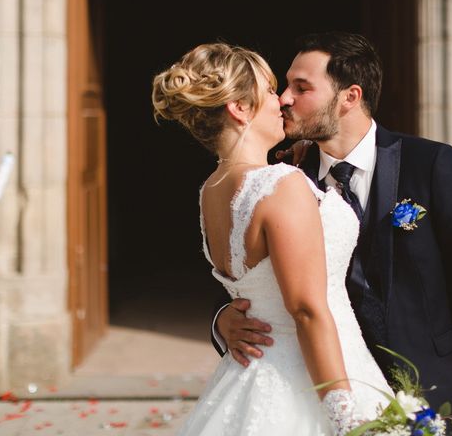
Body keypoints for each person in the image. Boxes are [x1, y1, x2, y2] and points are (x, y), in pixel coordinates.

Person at [213, 31, 452, 435]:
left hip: (434, 399)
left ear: (350, 97)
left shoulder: (430, 164)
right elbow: (245, 273)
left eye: (301, 87)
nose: (285, 98)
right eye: (285, 86)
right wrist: (223, 321)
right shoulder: (280, 180)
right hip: (321, 396)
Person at [152, 42, 391, 435]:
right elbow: (307, 310)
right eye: (267, 90)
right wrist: (345, 415)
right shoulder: (279, 183)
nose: (280, 101)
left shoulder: (212, 189)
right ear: (239, 108)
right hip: (310, 376)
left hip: (249, 376)